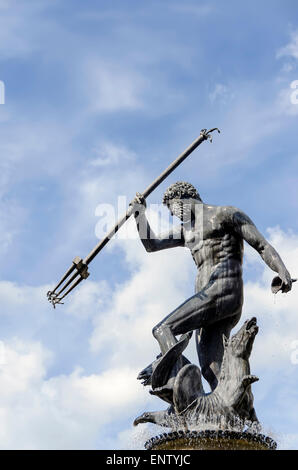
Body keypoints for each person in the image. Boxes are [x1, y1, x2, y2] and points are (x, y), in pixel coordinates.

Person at [130, 181, 292, 390]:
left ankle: (176, 384)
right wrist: (139, 215)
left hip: (224, 288)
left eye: (173, 209)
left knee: (164, 329)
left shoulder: (227, 214)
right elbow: (151, 245)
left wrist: (281, 270)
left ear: (181, 198)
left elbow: (262, 245)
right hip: (208, 300)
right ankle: (230, 412)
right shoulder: (186, 231)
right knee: (211, 370)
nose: (174, 215)